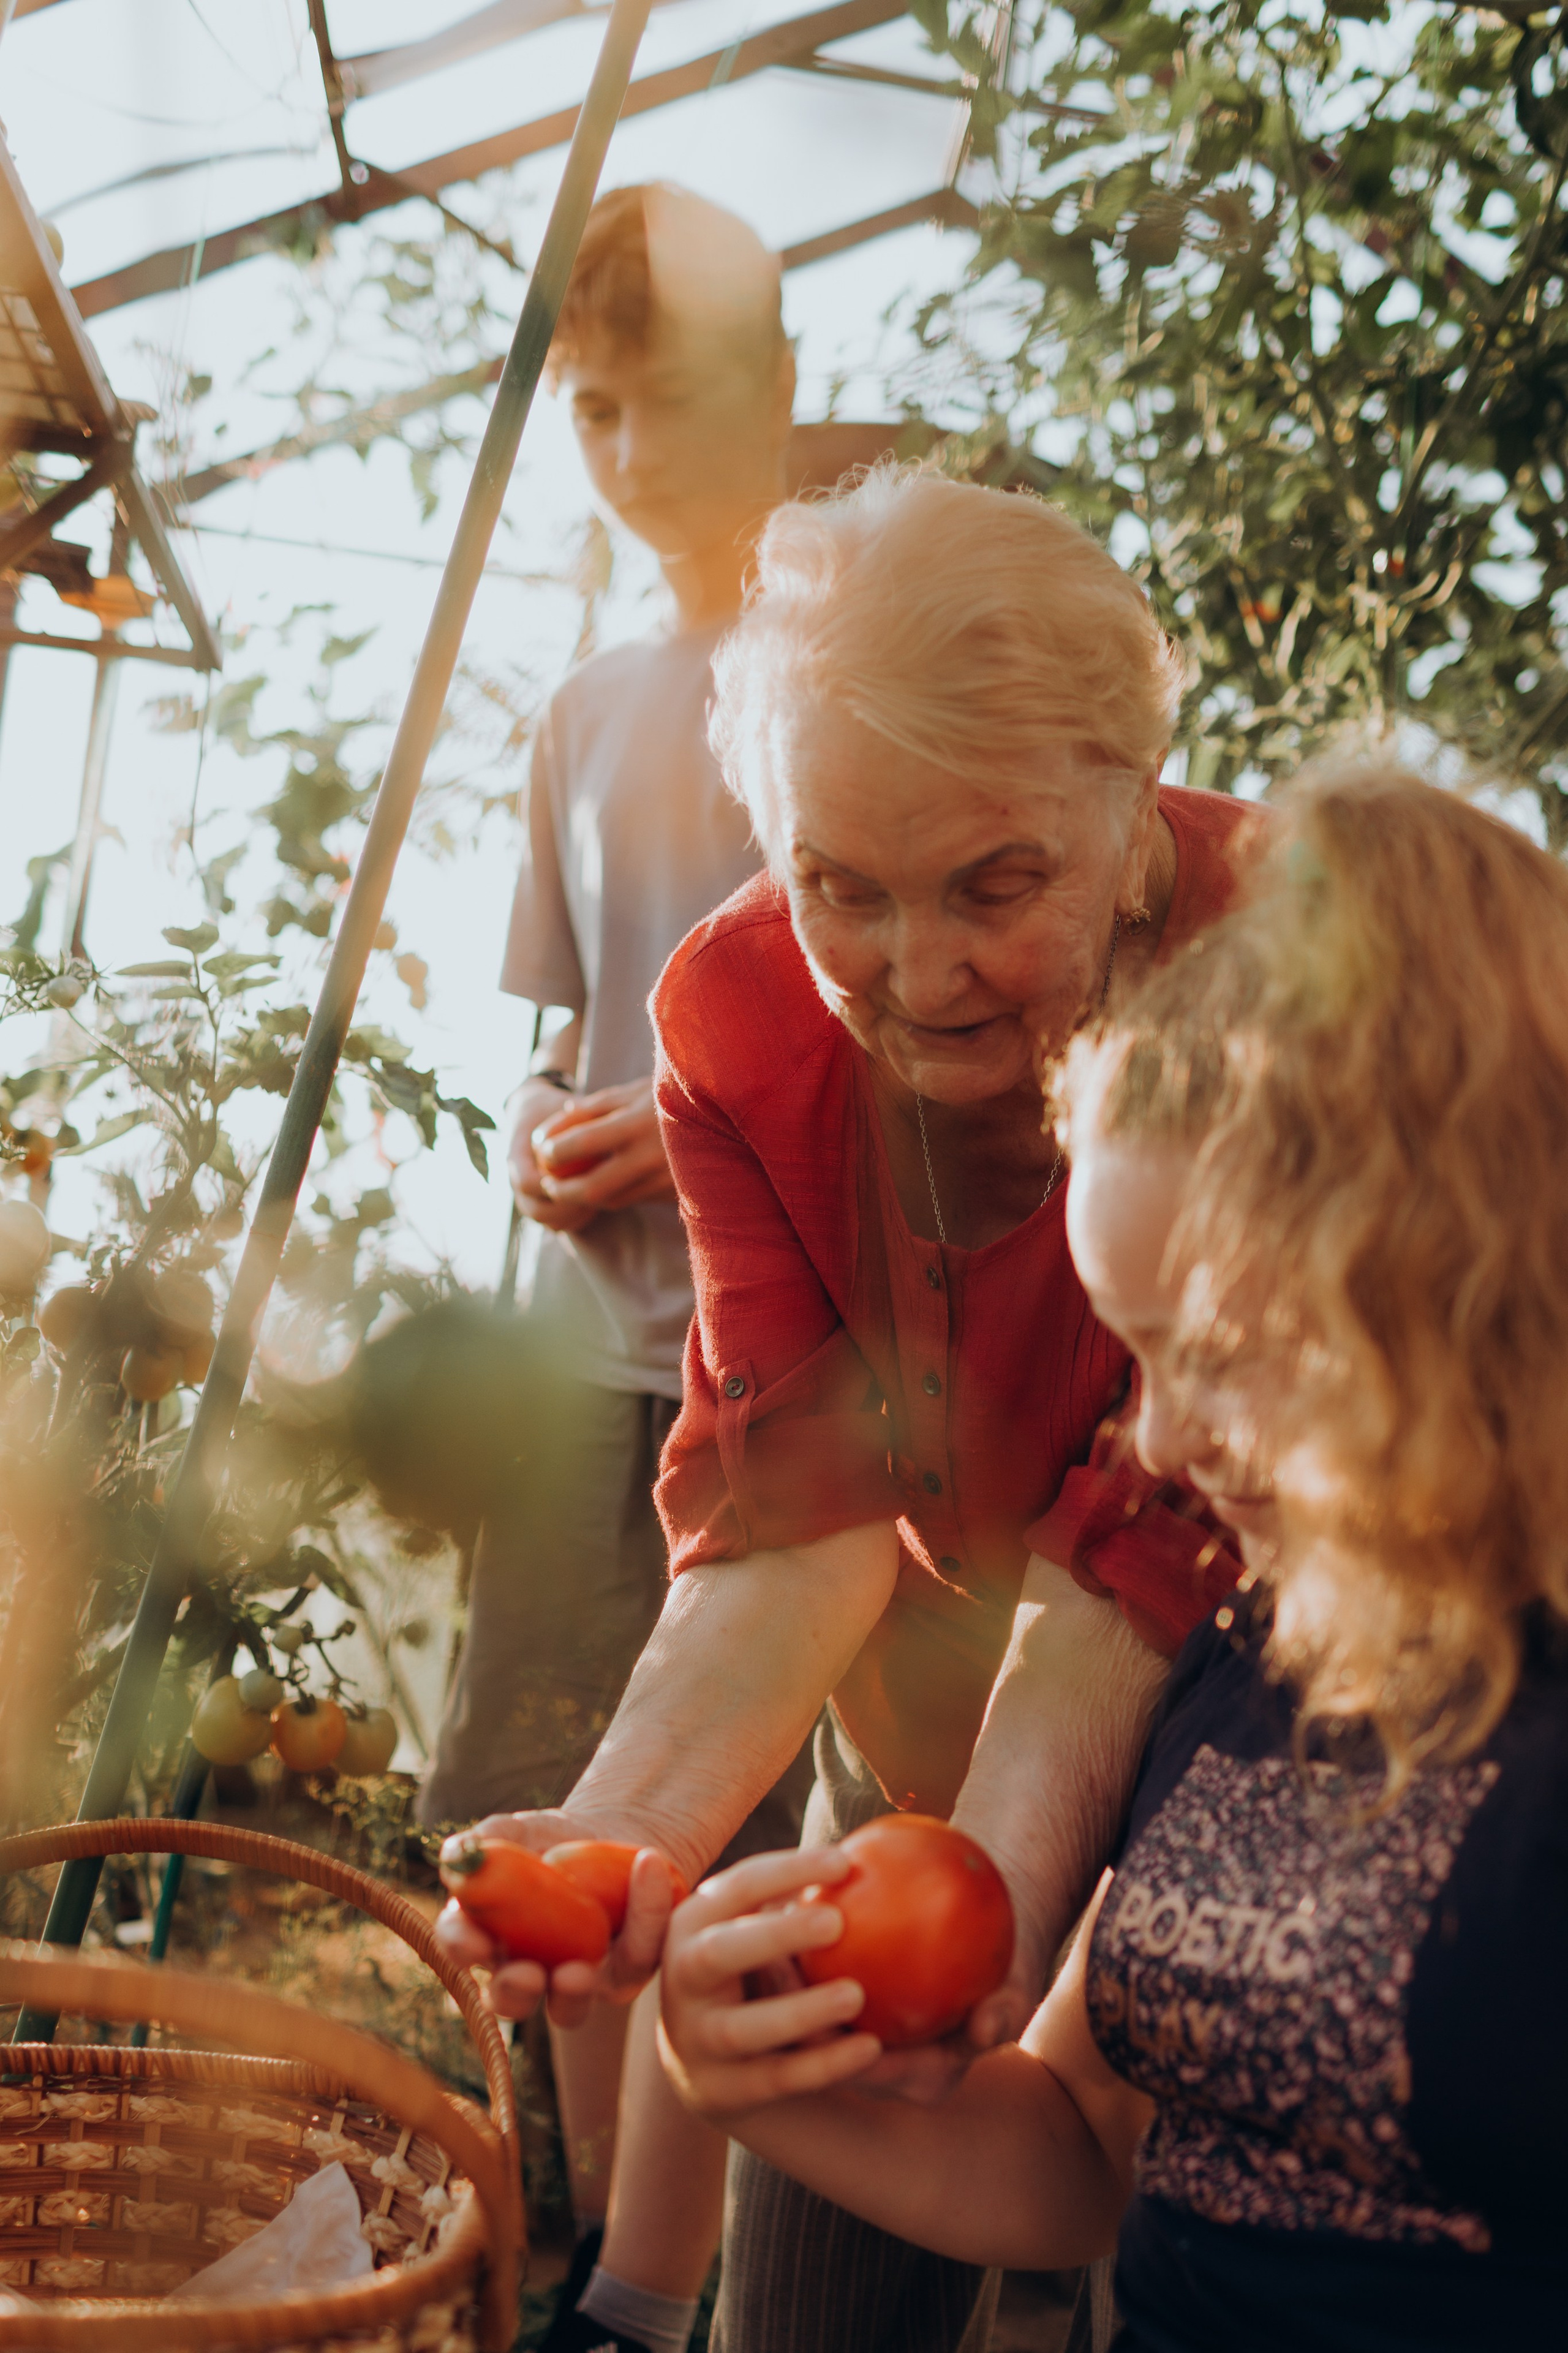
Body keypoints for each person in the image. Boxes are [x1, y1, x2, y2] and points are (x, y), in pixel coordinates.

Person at [438, 467, 1253, 2352]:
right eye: (841, 886)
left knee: (1143, 2274)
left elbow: (1144, 1547)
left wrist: (977, 1900)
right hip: (909, 1764)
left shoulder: (1271, 969)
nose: (915, 968)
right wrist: (625, 1833)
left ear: (1135, 800)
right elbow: (801, 1507)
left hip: (1217, 1767)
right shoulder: (732, 1014)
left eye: (998, 883)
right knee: (807, 2303)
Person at [658, 762, 1568, 2353]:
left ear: (1452, 1271)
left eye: (1217, 1351)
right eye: (1136, 1361)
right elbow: (1077, 2146)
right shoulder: (1248, 1653)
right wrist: (763, 2083)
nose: (1155, 1443)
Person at [418, 183, 809, 2353]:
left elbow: (890, 1014)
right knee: (571, 1814)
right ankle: (615, 2291)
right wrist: (560, 1144)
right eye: (591, 414)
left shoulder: (844, 682)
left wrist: (682, 1135)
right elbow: (578, 1039)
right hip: (592, 1363)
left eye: (664, 402)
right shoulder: (582, 709)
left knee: (750, 1834)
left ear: (773, 393)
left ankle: (745, 2270)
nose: (630, 452)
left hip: (799, 1370)